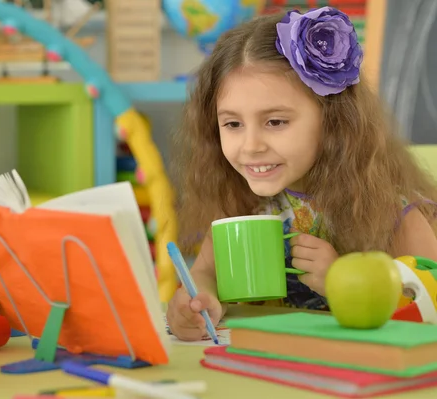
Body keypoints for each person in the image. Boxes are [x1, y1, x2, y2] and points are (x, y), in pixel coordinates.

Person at [166, 7, 437, 342]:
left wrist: (341, 282)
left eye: (275, 122)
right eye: (233, 124)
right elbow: (206, 272)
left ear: (334, 122)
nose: (250, 146)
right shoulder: (241, 203)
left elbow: (429, 303)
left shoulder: (390, 212)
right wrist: (198, 300)